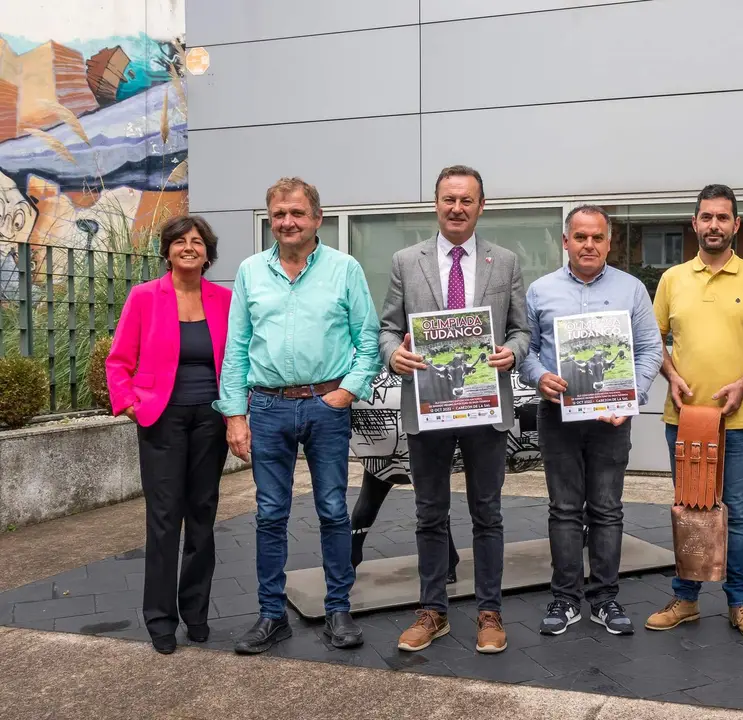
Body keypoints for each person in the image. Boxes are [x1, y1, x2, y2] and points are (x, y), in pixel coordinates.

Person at [215, 177, 381, 654]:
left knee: (332, 509)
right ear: (271, 219)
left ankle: (338, 610)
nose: (287, 222)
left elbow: (366, 339)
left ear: (317, 219)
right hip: (266, 406)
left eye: (297, 213)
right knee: (270, 514)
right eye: (279, 214)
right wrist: (234, 414)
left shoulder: (344, 269)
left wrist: (348, 391)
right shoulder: (250, 271)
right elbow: (237, 347)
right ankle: (271, 615)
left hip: (325, 404)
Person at [381, 164, 529, 654]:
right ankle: (433, 610)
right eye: (449, 199)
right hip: (428, 405)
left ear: (481, 206)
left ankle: (490, 610)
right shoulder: (406, 260)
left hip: (485, 404)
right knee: (429, 513)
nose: (457, 208)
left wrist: (514, 352)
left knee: (487, 512)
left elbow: (522, 330)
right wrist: (393, 355)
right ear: (436, 204)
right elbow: (385, 329)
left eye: (467, 200)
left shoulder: (505, 262)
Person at [646, 184, 743, 640]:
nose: (713, 225)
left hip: (736, 417)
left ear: (736, 225)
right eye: (706, 217)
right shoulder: (672, 279)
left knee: (735, 510)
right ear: (695, 223)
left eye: (722, 218)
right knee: (690, 507)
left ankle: (740, 602)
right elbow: (654, 339)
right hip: (685, 416)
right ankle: (685, 598)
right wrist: (672, 376)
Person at [520, 205, 663, 636]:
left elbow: (650, 350)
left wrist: (631, 397)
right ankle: (565, 598)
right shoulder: (540, 290)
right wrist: (539, 376)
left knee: (607, 509)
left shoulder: (632, 290)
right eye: (580, 237)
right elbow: (524, 349)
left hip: (611, 419)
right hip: (557, 416)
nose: (589, 244)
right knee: (563, 510)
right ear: (566, 241)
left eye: (597, 237)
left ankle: (604, 598)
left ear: (608, 242)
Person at [105, 215, 232, 654]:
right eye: (180, 241)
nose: (189, 248)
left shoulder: (225, 300)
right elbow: (118, 360)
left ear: (207, 252)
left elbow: (236, 359)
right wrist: (130, 404)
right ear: (167, 251)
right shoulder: (144, 297)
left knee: (202, 514)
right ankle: (160, 618)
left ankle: (196, 612)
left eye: (197, 242)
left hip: (211, 419)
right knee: (164, 520)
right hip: (161, 419)